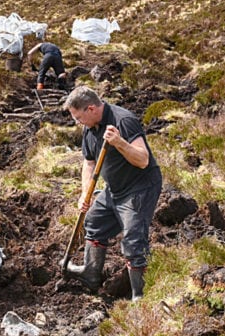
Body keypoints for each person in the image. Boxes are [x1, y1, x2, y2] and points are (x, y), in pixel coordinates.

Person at [62, 86, 162, 301]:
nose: (78, 123)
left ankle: (140, 296)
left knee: (134, 240)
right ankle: (91, 274)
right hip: (114, 189)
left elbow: (143, 160)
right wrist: (84, 194)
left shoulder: (123, 121)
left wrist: (119, 142)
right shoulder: (90, 128)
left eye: (79, 117)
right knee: (95, 221)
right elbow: (89, 163)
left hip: (139, 187)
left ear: (91, 108)